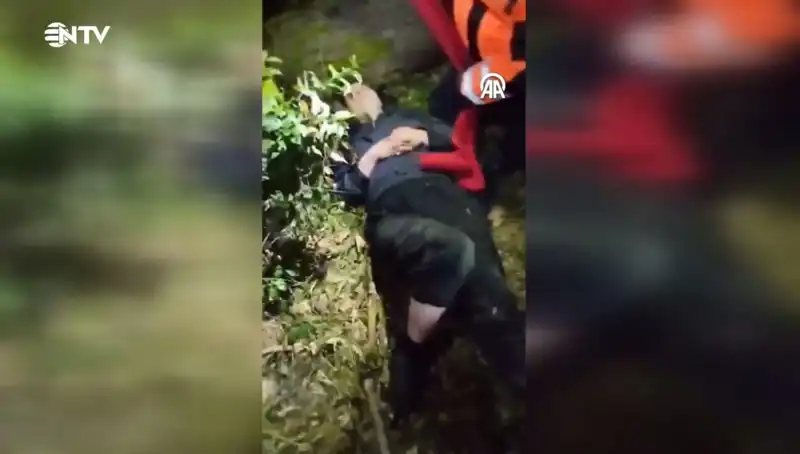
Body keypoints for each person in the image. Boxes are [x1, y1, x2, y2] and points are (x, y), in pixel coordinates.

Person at [331, 84, 524, 425]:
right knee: (444, 249)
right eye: (348, 93)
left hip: (445, 196)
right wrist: (374, 155)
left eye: (362, 87)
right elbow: (344, 190)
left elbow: (457, 140)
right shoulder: (344, 140)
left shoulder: (409, 116)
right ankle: (413, 351)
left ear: (378, 94)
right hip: (392, 205)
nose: (357, 93)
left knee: (492, 299)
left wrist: (420, 136)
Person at [426, 0, 527, 184]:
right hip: (484, 57)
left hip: (514, 77)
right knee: (442, 106)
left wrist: (472, 84)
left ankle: (502, 163)